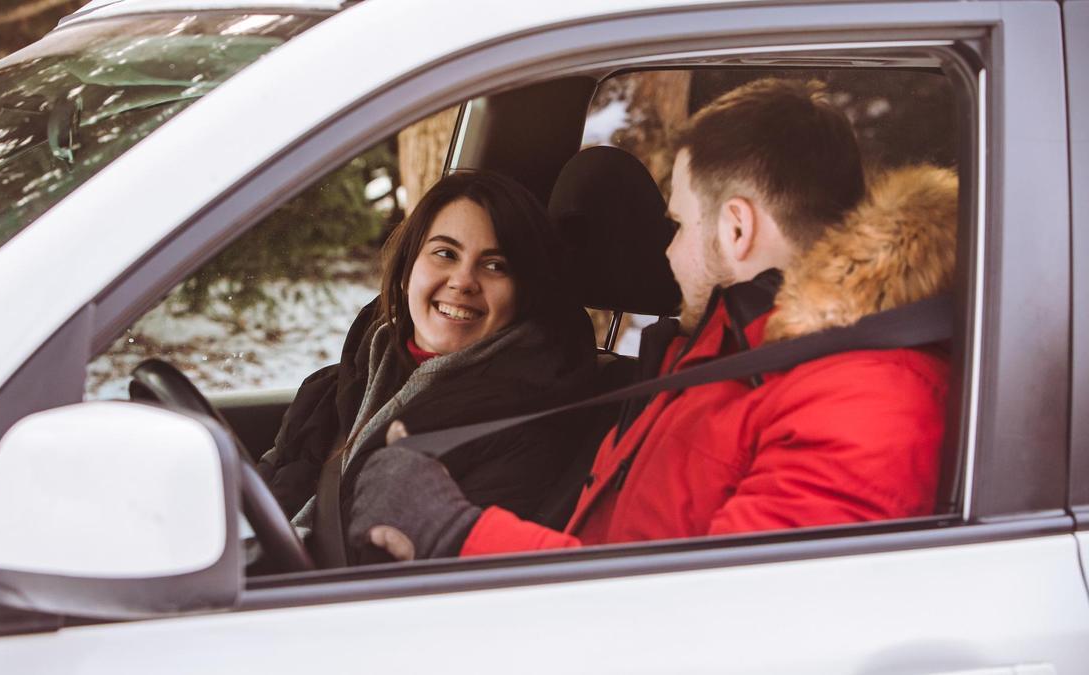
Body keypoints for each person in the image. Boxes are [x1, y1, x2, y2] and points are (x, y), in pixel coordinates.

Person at [347, 78, 958, 561]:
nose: (664, 253)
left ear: (737, 229)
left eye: (678, 225)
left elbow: (716, 618)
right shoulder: (722, 348)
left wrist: (455, 532)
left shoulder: (863, 402)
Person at [256, 170, 597, 561]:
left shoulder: (527, 429)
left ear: (523, 293)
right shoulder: (335, 388)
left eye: (495, 265)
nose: (463, 281)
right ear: (407, 270)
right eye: (445, 254)